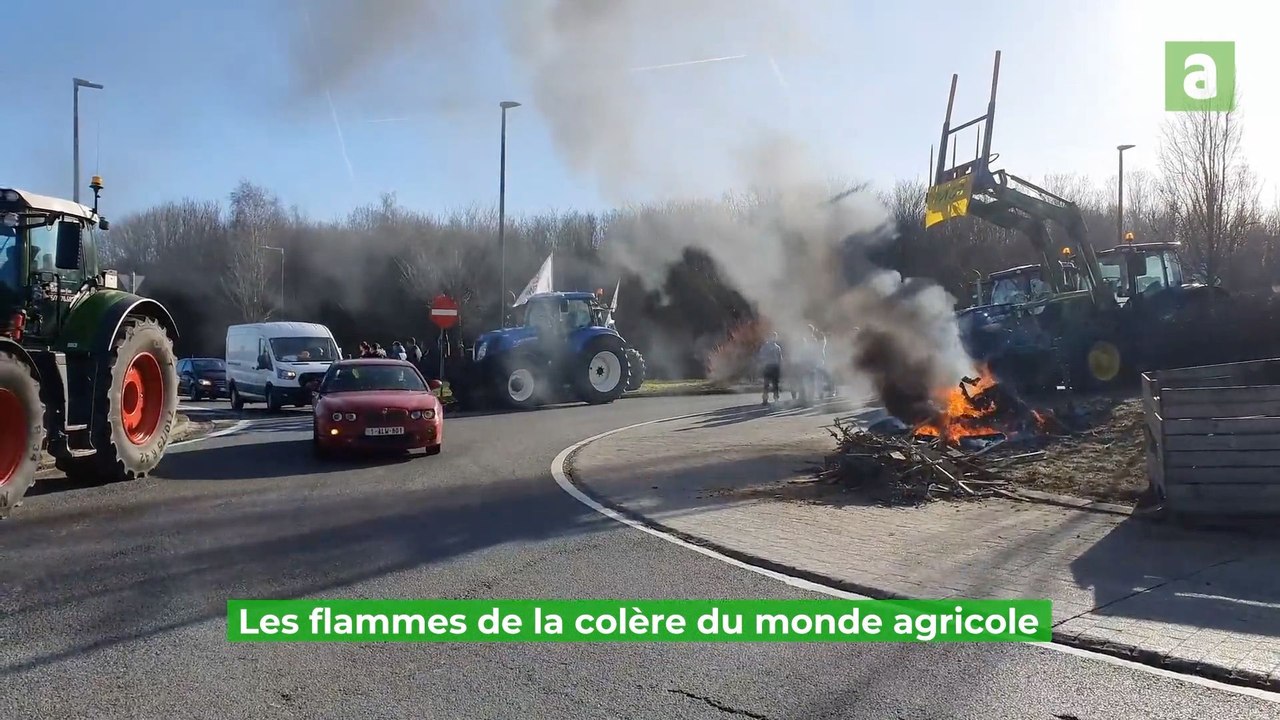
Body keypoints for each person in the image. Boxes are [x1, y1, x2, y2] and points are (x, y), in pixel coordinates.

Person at [757, 332, 783, 405]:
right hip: (768, 366)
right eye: (773, 337)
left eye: (775, 337)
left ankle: (776, 398)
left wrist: (779, 365)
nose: (774, 338)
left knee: (775, 384)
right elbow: (761, 356)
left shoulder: (777, 347)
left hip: (775, 366)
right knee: (766, 384)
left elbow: (780, 358)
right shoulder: (765, 347)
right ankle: (765, 399)